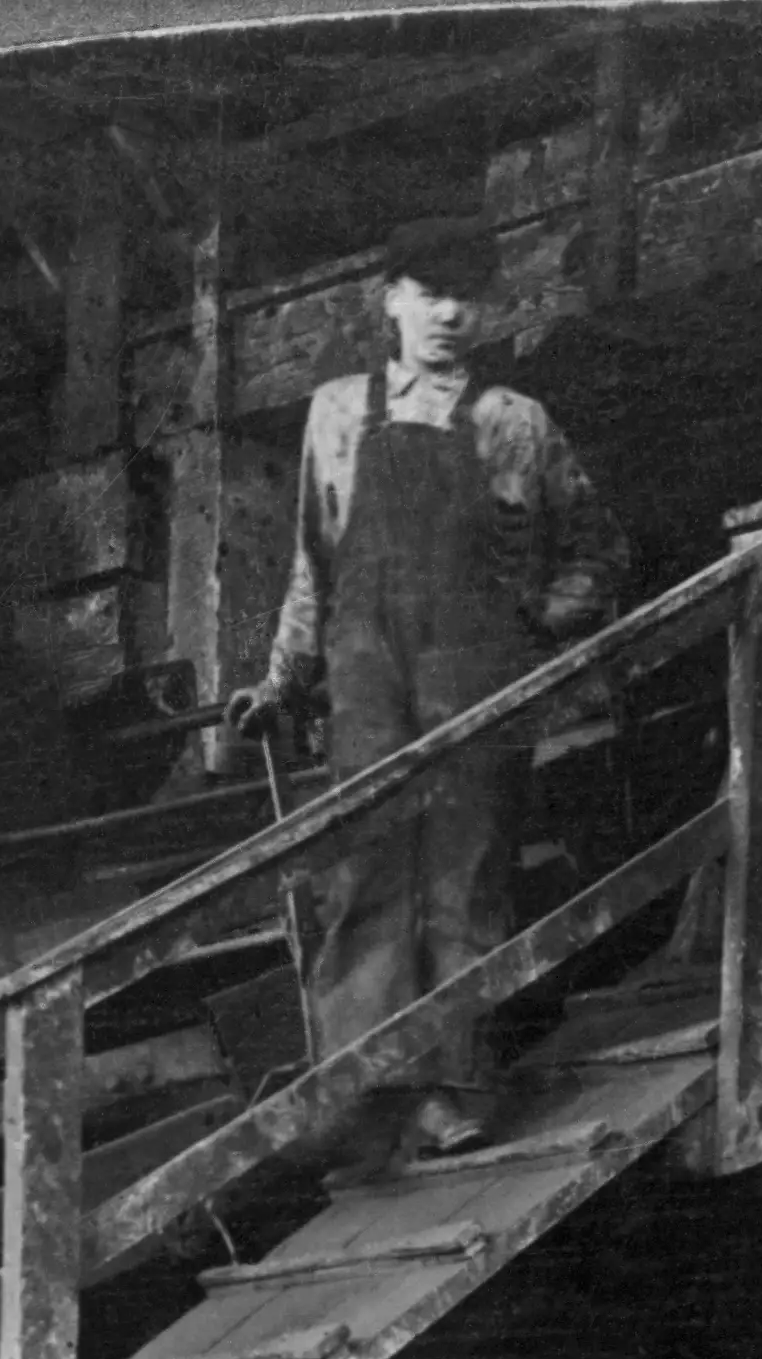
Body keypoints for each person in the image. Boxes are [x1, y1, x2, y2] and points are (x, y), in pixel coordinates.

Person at [228, 209, 627, 1156]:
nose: (449, 311)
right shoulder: (333, 413)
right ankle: (362, 1089)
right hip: (366, 675)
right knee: (364, 868)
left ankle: (451, 1086)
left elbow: (597, 552)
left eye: (466, 295)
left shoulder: (514, 423)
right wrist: (282, 679)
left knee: (463, 871)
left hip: (475, 679)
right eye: (429, 291)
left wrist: (535, 632)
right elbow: (313, 569)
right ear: (391, 301)